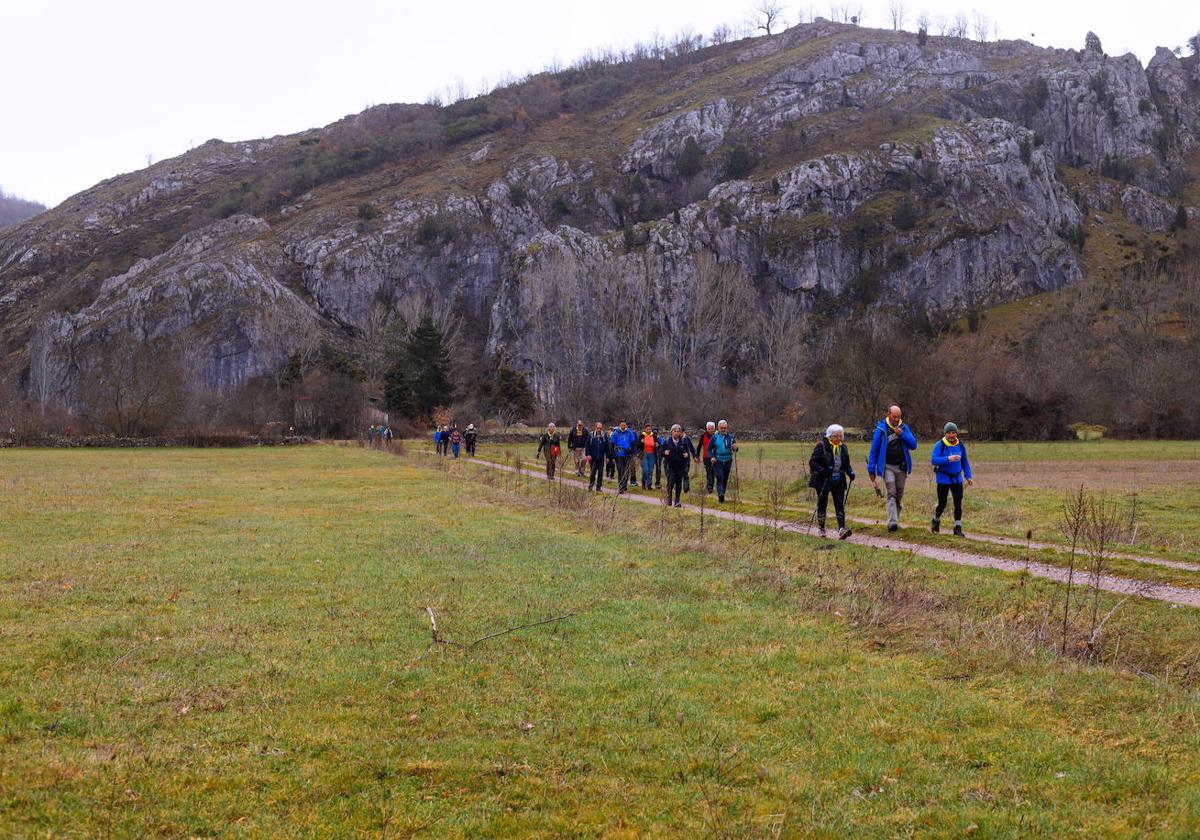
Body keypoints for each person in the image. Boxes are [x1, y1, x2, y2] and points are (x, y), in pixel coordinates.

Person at [866, 404, 918, 532]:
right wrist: (871, 469)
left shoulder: (904, 428)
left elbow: (913, 445)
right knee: (892, 492)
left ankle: (895, 519)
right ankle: (892, 523)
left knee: (899, 494)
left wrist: (902, 435)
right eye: (894, 417)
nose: (896, 419)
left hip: (901, 467)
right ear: (889, 415)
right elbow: (874, 450)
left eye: (898, 417)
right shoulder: (881, 429)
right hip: (887, 466)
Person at [809, 424, 855, 540]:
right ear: (830, 436)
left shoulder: (843, 447)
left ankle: (842, 529)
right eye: (836, 436)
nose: (838, 439)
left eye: (840, 436)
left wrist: (850, 472)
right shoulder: (822, 446)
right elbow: (812, 462)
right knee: (822, 504)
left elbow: (846, 464)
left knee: (839, 504)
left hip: (838, 480)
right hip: (823, 480)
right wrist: (824, 470)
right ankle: (821, 528)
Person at [931, 422, 973, 537]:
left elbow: (964, 461)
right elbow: (934, 460)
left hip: (957, 479)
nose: (951, 435)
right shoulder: (940, 445)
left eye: (953, 432)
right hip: (943, 479)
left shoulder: (960, 445)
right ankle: (936, 521)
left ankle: (957, 528)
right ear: (945, 433)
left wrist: (968, 476)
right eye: (949, 432)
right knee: (942, 503)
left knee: (958, 503)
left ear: (956, 433)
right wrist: (948, 459)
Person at [660, 424, 692, 507]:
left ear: (680, 433)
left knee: (678, 483)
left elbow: (687, 454)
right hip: (669, 465)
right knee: (670, 482)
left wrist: (686, 457)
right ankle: (669, 499)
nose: (676, 433)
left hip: (680, 466)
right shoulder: (666, 442)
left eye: (678, 431)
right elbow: (660, 452)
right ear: (671, 432)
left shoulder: (683, 443)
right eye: (674, 431)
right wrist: (664, 453)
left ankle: (677, 500)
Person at [707, 420, 738, 503]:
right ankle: (720, 495)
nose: (723, 429)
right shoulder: (714, 437)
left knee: (725, 479)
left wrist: (735, 448)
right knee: (720, 477)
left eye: (725, 428)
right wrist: (712, 457)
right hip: (717, 461)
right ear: (718, 428)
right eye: (722, 428)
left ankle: (722, 493)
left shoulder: (731, 437)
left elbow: (735, 448)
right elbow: (709, 449)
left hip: (728, 460)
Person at [610, 421, 638, 493]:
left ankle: (625, 484)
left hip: (627, 455)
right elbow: (612, 445)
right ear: (619, 425)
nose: (623, 426)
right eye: (622, 425)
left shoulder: (629, 433)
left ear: (626, 425)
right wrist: (612, 456)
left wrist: (634, 454)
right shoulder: (616, 433)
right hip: (619, 455)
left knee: (626, 471)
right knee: (620, 471)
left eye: (624, 425)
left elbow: (633, 444)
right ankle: (621, 487)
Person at [585, 422, 608, 492]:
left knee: (600, 474)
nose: (599, 430)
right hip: (593, 458)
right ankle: (591, 485)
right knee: (592, 473)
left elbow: (607, 447)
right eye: (598, 428)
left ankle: (598, 487)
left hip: (601, 458)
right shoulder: (591, 435)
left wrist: (607, 457)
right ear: (595, 428)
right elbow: (587, 445)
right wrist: (588, 454)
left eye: (600, 428)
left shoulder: (604, 436)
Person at [696, 421, 717, 494]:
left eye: (712, 429)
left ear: (714, 429)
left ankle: (711, 486)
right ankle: (709, 487)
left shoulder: (716, 436)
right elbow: (699, 446)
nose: (711, 430)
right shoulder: (703, 436)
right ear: (707, 429)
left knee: (713, 472)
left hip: (715, 457)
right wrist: (697, 456)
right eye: (709, 429)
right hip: (706, 457)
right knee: (709, 471)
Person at [640, 424, 657, 490]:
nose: (649, 430)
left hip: (652, 454)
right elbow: (638, 445)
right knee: (645, 470)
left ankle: (649, 484)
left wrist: (657, 444)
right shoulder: (642, 436)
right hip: (644, 454)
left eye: (650, 429)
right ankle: (644, 482)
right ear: (645, 429)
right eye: (647, 429)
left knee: (650, 470)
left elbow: (657, 444)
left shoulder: (653, 436)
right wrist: (641, 442)